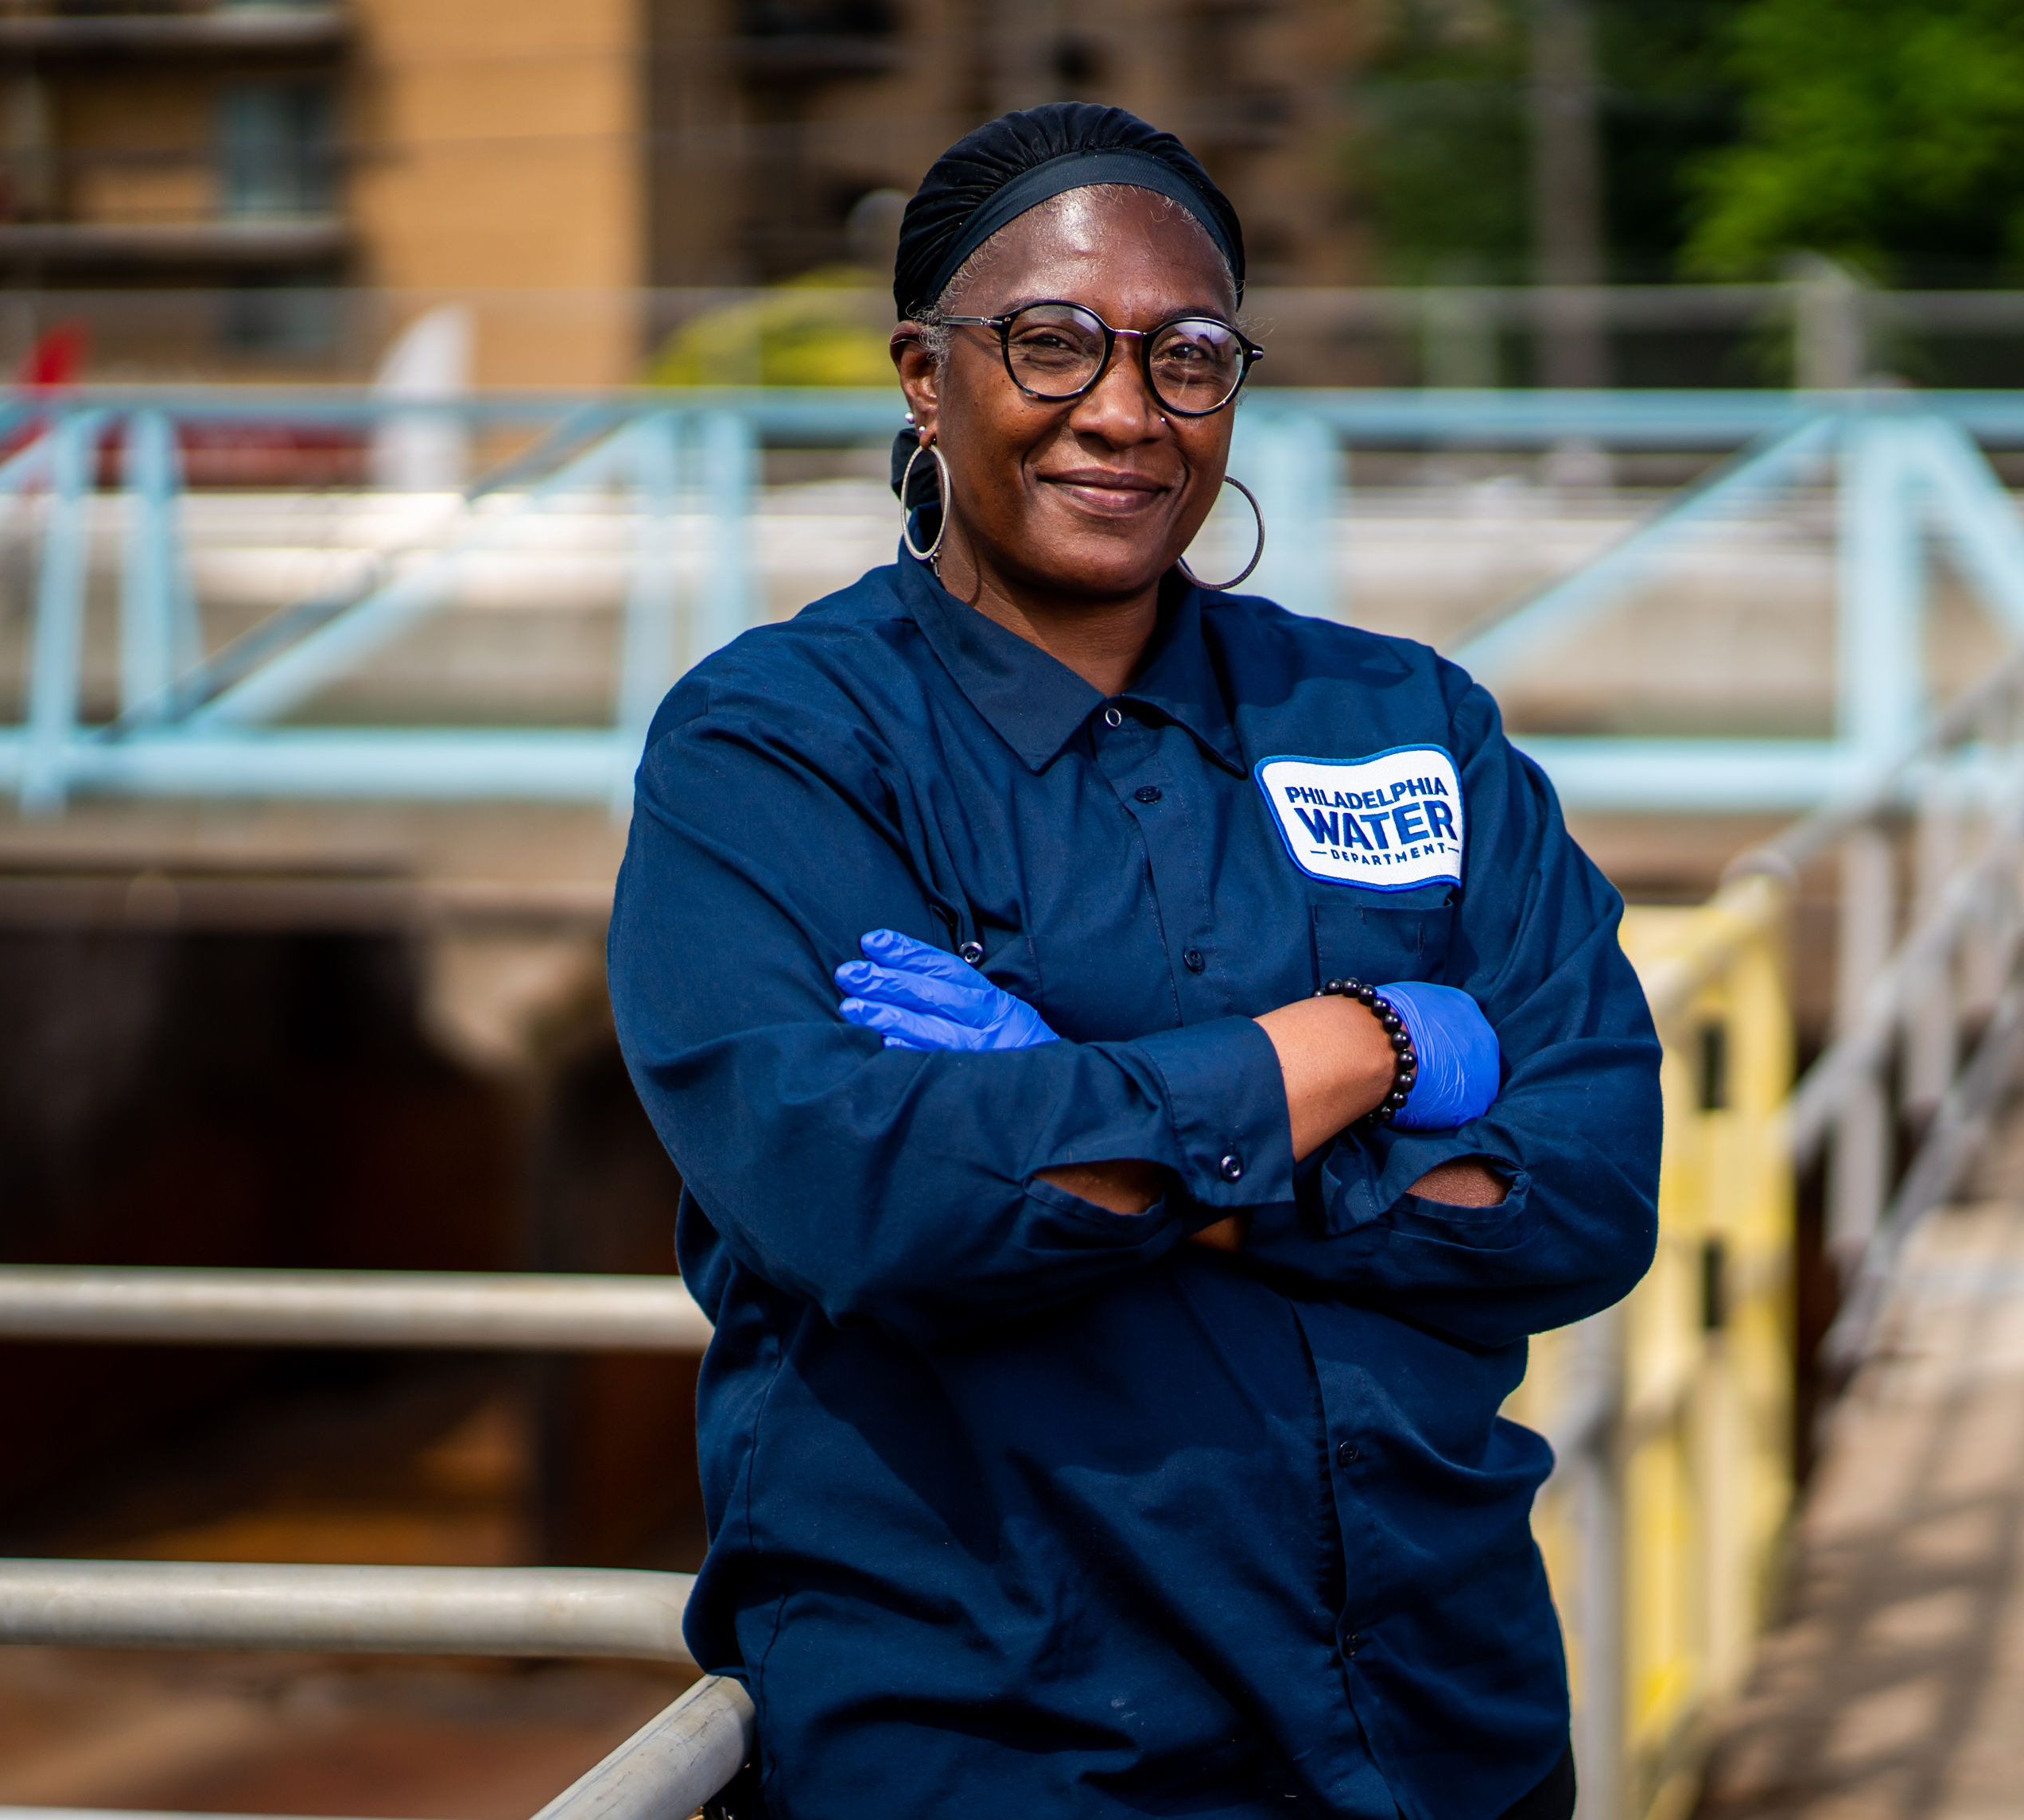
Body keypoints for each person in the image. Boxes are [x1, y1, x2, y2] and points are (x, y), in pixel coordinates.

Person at [607, 102, 1663, 1820]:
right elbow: (869, 1202)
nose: (1125, 408)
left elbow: (1591, 1187)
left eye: (1188, 354)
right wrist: (1359, 1052)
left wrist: (1105, 1128)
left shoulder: (1401, 720)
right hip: (1007, 1734)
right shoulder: (779, 748)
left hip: (1441, 1717)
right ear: (922, 377)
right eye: (1051, 343)